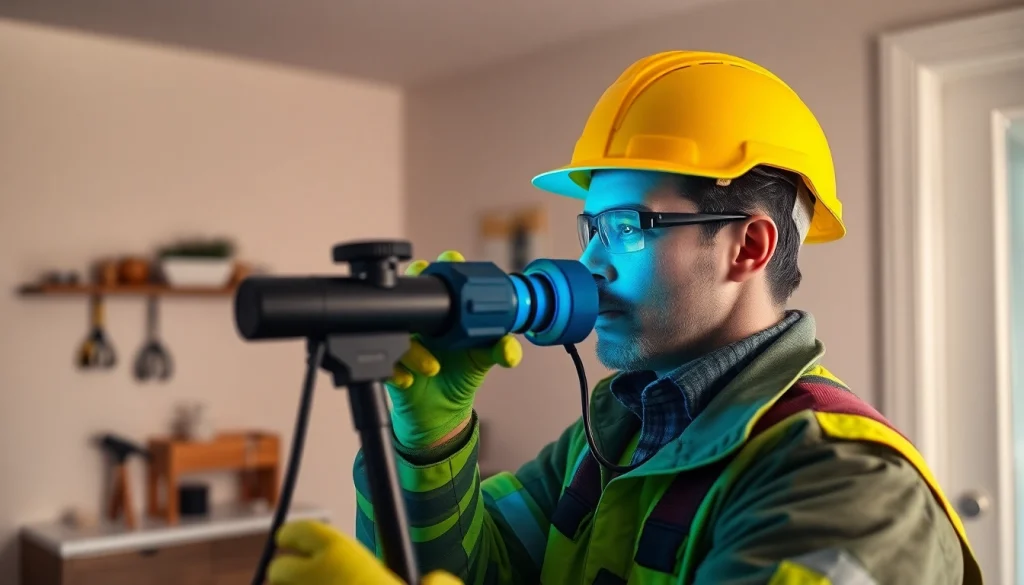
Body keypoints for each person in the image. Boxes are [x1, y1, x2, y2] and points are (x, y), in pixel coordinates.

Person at [273, 50, 984, 585]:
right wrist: (431, 441)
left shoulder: (847, 485)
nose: (592, 264)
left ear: (748, 246)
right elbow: (475, 570)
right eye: (591, 228)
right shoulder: (608, 438)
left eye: (630, 228)